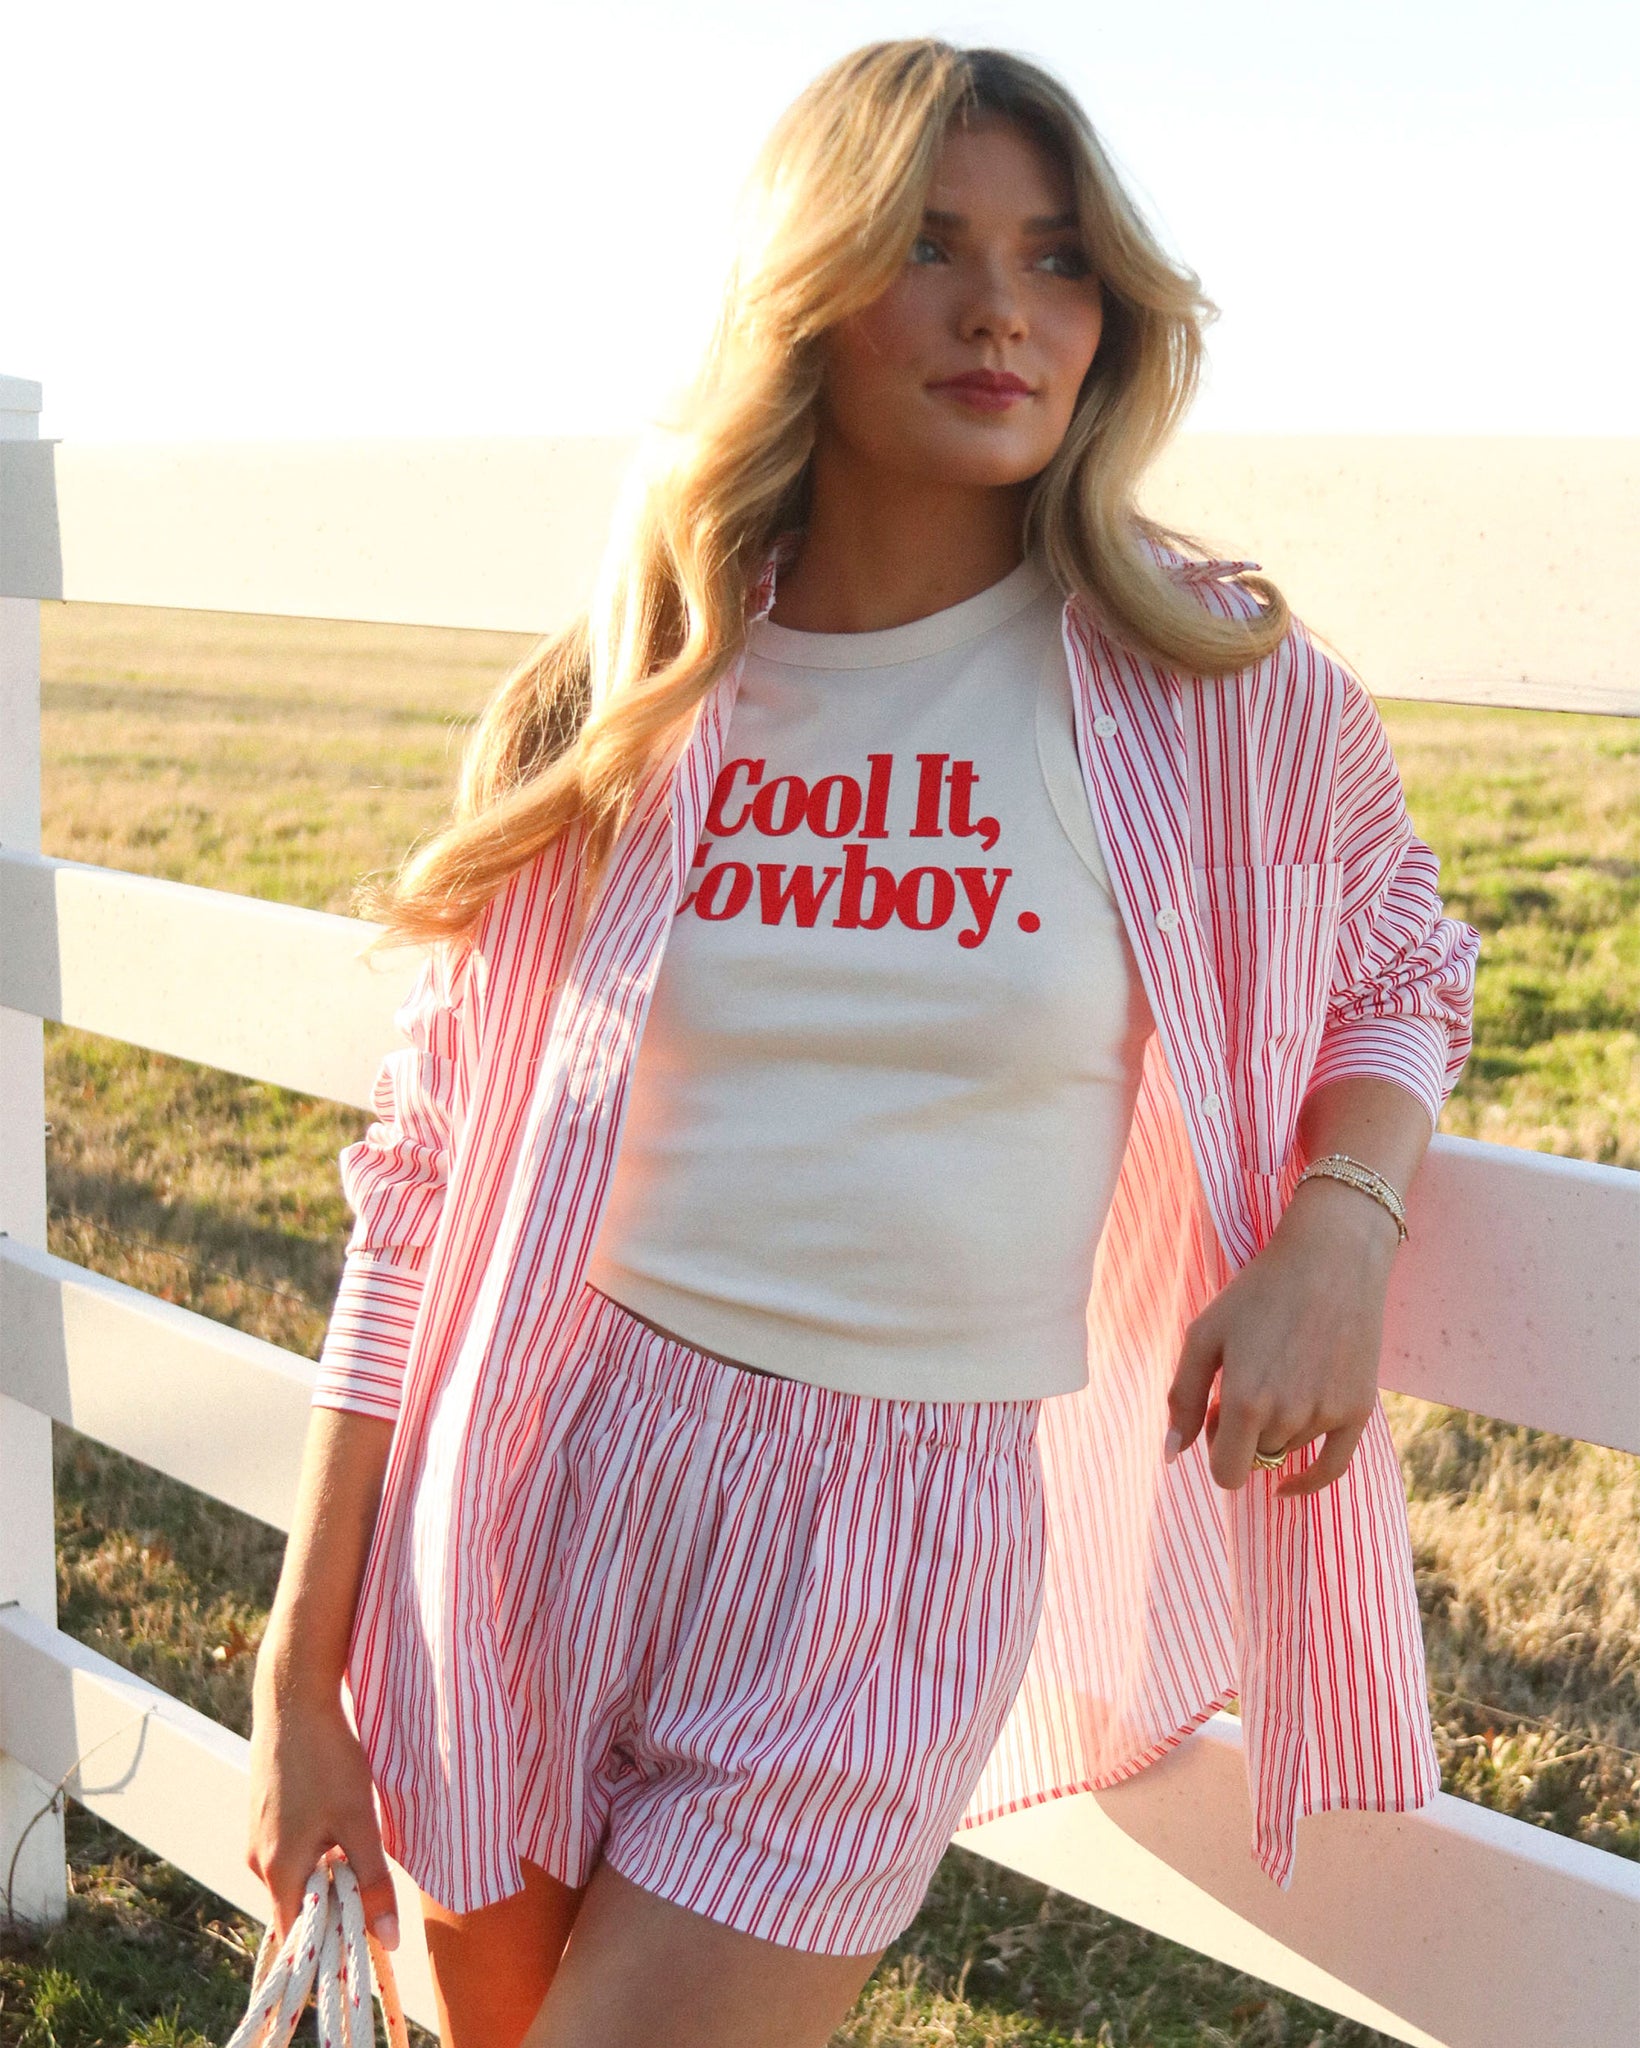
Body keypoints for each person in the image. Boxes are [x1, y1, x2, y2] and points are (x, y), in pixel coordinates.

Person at [247, 37, 1479, 2048]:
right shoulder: (629, 685)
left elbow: (1405, 963)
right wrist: (303, 1676)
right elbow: (420, 1174)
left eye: (1058, 258)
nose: (1007, 304)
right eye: (931, 245)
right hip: (535, 1476)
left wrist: (1339, 1227)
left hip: (891, 1538)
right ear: (804, 286)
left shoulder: (1212, 686)